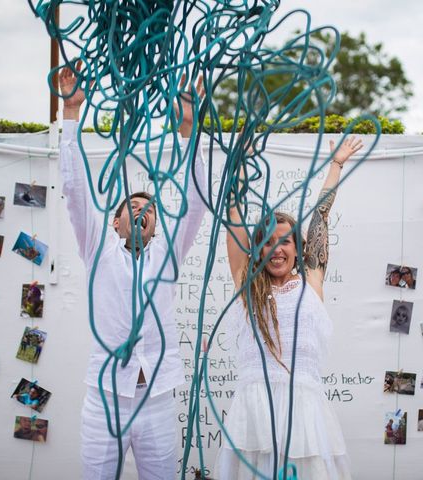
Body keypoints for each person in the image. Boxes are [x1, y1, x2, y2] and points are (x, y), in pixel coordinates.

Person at [59, 61, 207, 480]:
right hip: (104, 399)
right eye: (133, 208)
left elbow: (194, 200)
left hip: (157, 398)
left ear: (158, 226)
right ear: (116, 221)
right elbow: (74, 192)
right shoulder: (98, 250)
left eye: (150, 211)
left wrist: (188, 124)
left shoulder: (168, 255)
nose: (142, 213)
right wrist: (71, 116)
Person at [215, 136, 364, 479]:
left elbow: (320, 216)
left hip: (305, 411)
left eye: (284, 241)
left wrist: (336, 165)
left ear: (298, 248)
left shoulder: (311, 281)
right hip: (253, 411)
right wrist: (239, 165)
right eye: (267, 241)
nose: (276, 249)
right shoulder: (246, 285)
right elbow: (234, 217)